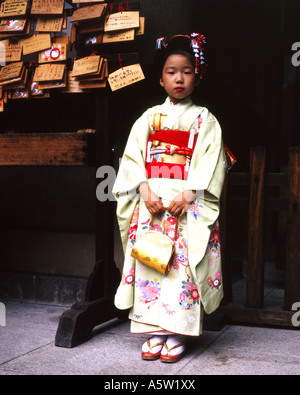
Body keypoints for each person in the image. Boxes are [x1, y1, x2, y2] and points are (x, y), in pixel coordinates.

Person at [112, 33, 232, 363]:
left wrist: (190, 193)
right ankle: (153, 330)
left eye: (187, 71)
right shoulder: (147, 118)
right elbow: (133, 157)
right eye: (171, 71)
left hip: (186, 204)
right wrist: (145, 190)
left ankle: (177, 331)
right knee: (151, 263)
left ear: (198, 76)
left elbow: (211, 161)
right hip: (152, 203)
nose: (179, 78)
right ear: (160, 78)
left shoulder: (205, 119)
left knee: (181, 267)